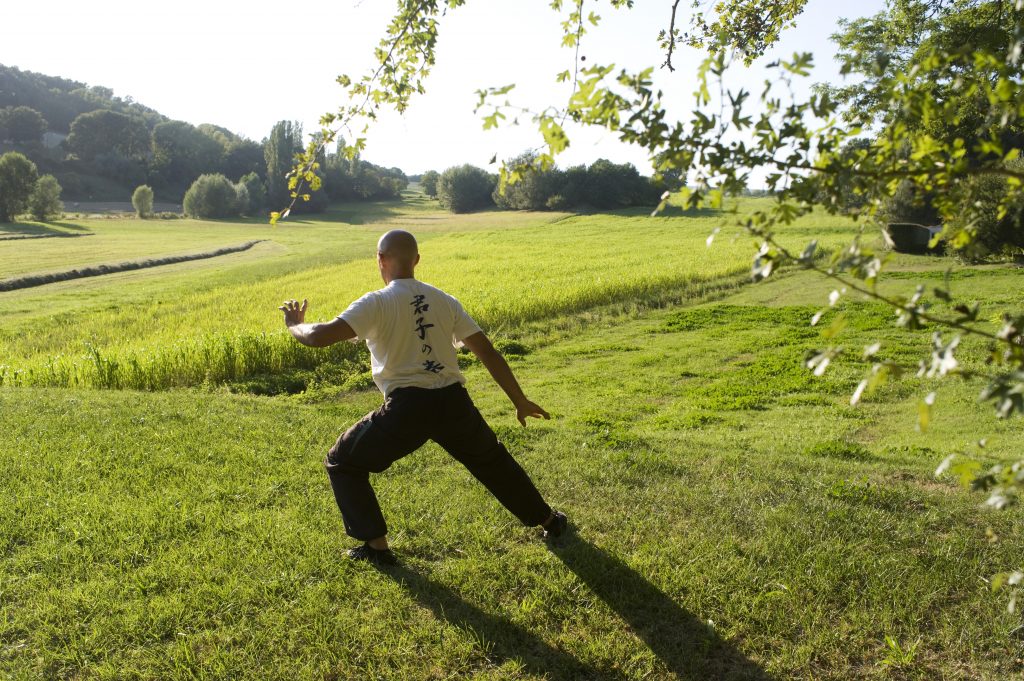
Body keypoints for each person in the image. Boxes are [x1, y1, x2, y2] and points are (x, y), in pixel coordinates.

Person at [278, 229, 567, 565]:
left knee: (342, 461)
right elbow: (488, 352)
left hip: (407, 409)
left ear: (380, 260)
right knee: (492, 462)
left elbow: (318, 336)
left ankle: (377, 547)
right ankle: (550, 521)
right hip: (453, 402)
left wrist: (293, 325)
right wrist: (519, 400)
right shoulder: (444, 300)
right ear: (416, 260)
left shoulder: (376, 302)